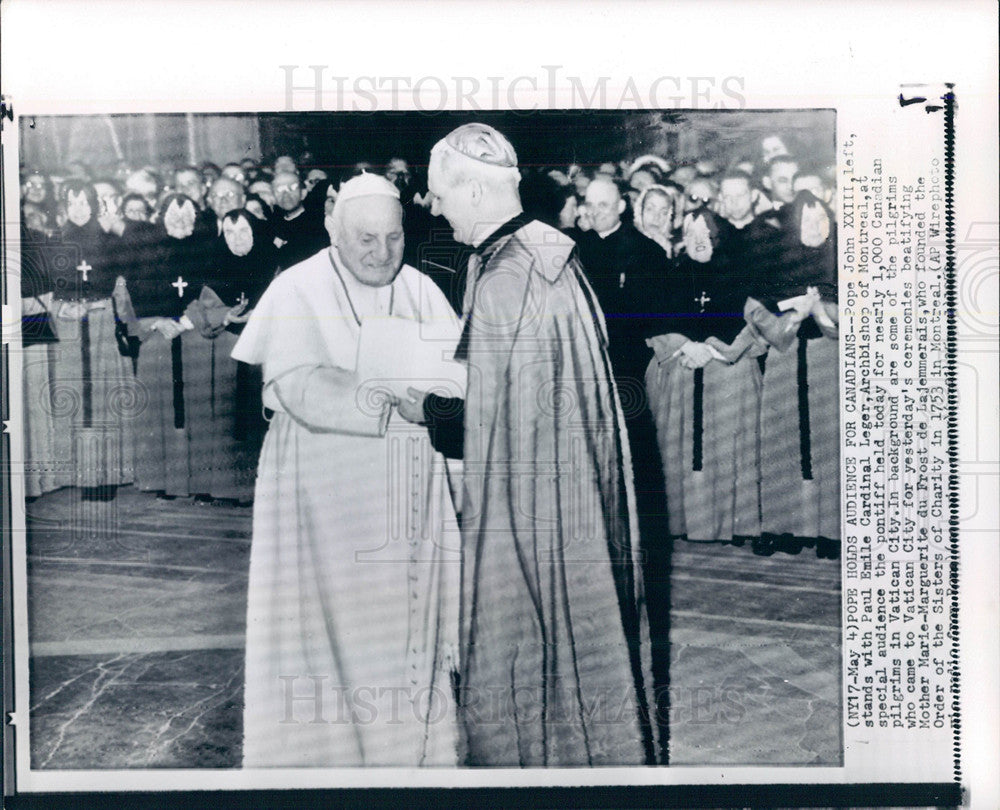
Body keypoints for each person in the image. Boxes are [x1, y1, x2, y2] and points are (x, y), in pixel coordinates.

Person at [400, 123, 660, 766]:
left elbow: (483, 421)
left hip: (530, 505)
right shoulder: (554, 256)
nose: (434, 208)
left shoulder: (504, 278)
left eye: (440, 194)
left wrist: (422, 407)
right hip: (572, 489)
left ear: (473, 190)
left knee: (519, 640)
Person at [232, 173, 462, 767]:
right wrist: (386, 399)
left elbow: (455, 377)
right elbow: (299, 387)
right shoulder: (295, 288)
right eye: (366, 239)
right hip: (323, 497)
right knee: (332, 636)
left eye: (393, 238)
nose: (381, 253)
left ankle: (410, 758)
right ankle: (328, 763)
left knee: (400, 635)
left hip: (408, 495)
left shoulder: (421, 289)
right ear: (334, 227)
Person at [646, 207, 763, 545]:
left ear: (718, 235)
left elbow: (751, 325)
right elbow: (657, 319)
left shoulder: (740, 273)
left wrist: (711, 350)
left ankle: (731, 525)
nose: (699, 240)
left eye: (705, 233)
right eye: (690, 233)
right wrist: (685, 347)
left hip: (728, 370)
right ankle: (681, 522)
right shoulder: (672, 272)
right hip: (682, 366)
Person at [744, 190, 840, 558]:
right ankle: (783, 528)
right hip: (785, 361)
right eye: (807, 221)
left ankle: (830, 532)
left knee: (828, 443)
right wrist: (794, 317)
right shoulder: (775, 265)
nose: (815, 228)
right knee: (781, 443)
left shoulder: (842, 262)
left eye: (821, 220)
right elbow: (756, 311)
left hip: (825, 358)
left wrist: (820, 311)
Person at [48, 179, 136, 498]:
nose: (79, 209)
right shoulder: (55, 241)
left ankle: (108, 474)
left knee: (103, 395)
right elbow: (46, 290)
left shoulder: (110, 242)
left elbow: (122, 287)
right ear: (64, 207)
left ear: (95, 205)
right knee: (76, 397)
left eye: (84, 202)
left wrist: (106, 304)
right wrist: (61, 309)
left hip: (100, 326)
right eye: (72, 203)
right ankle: (81, 477)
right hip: (70, 328)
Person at [269, 170, 328, 270]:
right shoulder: (271, 227)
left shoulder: (317, 227)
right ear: (273, 197)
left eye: (292, 188)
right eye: (279, 189)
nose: (285, 193)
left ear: (303, 193)